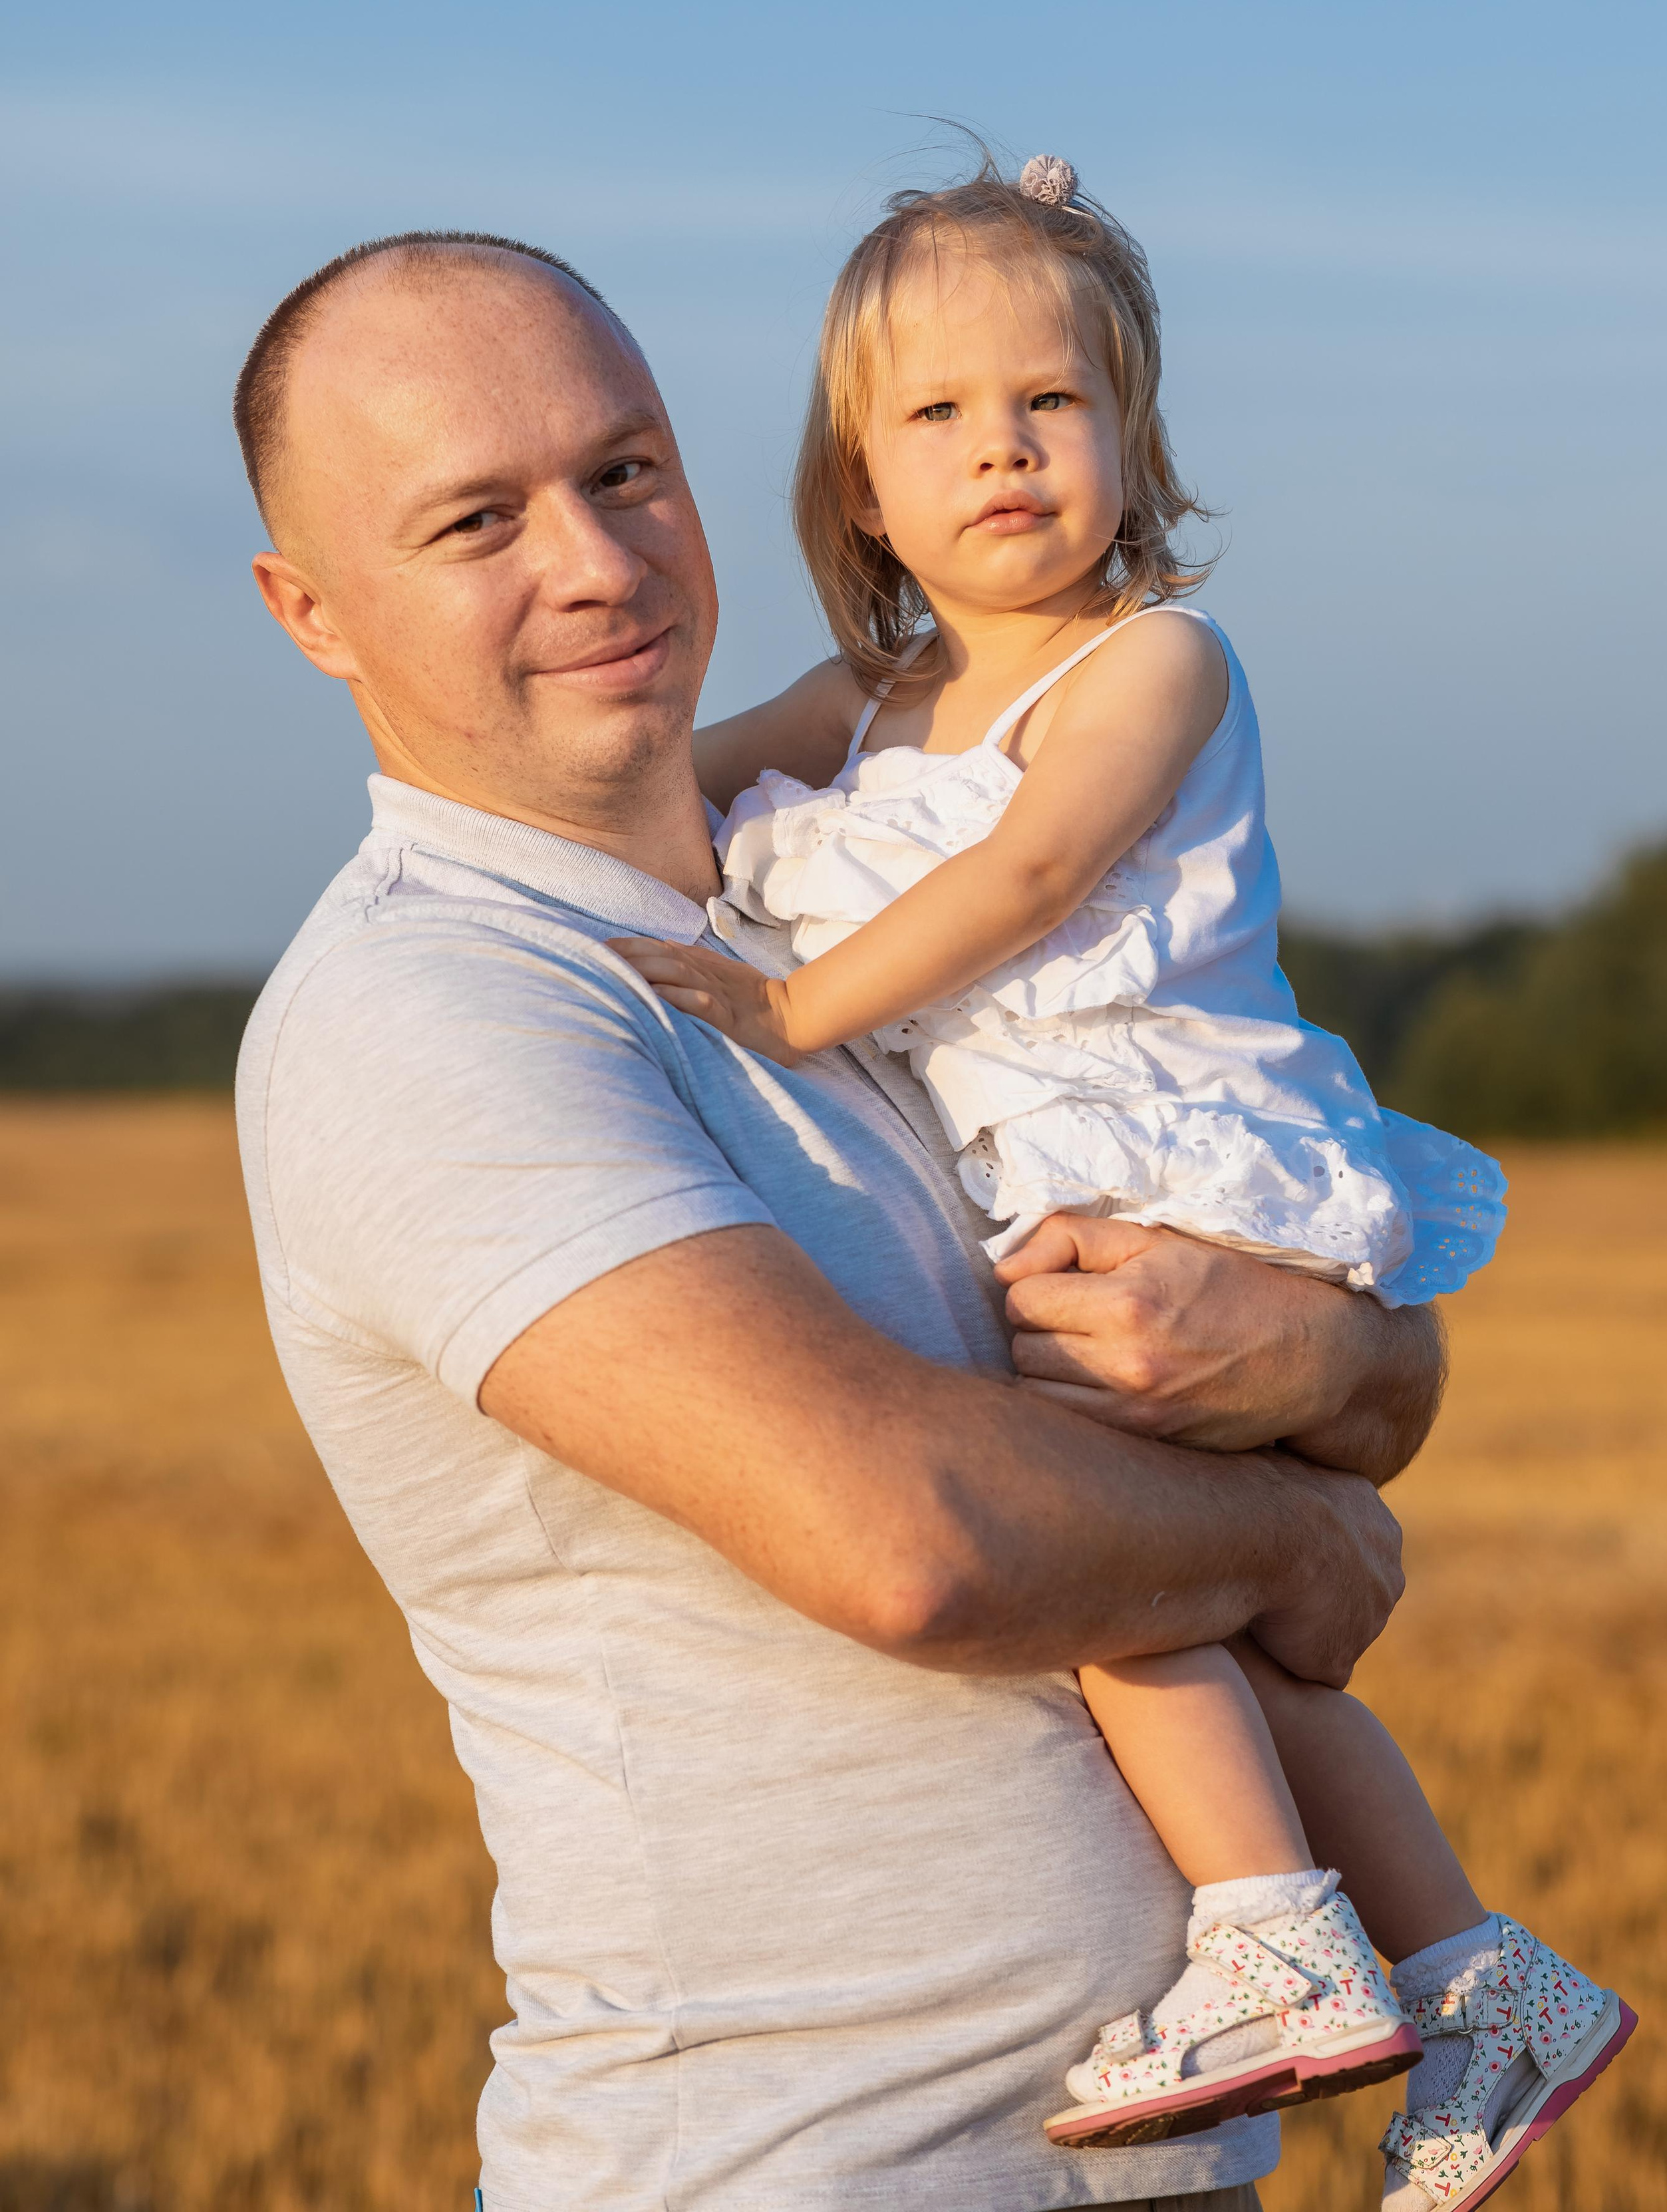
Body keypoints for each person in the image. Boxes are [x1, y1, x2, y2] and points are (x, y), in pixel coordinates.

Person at [231, 222, 1432, 2212]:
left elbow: (1289, 1329)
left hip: (1139, 2163)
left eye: (625, 469)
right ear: (312, 611)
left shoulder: (838, 922)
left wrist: (1339, 1358)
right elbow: (914, 1542)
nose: (597, 563)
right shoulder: (435, 1006)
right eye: (475, 522)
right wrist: (1297, 1536)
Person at [612, 158, 1634, 2209]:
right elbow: (658, 786)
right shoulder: (866, 701)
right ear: (861, 486)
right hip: (1070, 1177)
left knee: (1099, 1565)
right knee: (1227, 1634)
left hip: (1169, 1165)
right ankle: (1479, 1975)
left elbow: (1033, 870)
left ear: (1131, 439)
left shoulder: (1151, 666)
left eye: (1050, 402)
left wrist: (793, 1011)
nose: (1001, 447)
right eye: (938, 414)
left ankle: (1272, 1942)